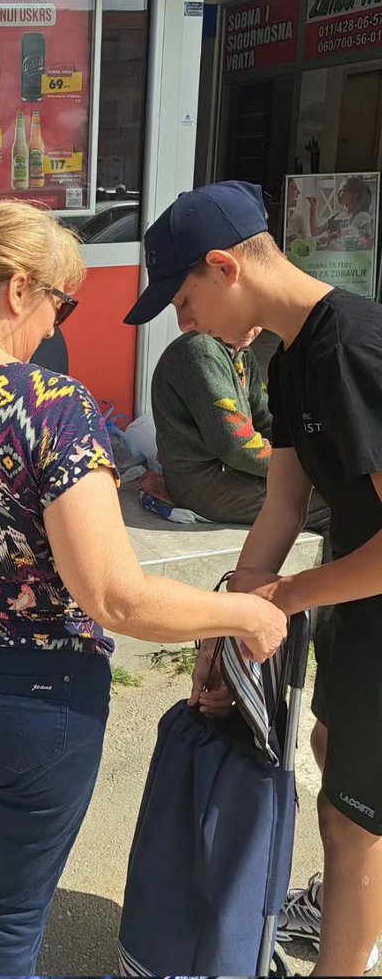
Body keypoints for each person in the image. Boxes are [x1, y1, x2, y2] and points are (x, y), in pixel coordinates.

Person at [0, 199, 286, 975]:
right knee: (3, 923)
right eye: (58, 303)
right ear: (15, 289)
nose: (55, 325)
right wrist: (245, 612)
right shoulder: (52, 406)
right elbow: (115, 595)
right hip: (25, 695)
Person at [124, 179, 382, 977]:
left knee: (352, 824)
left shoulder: (350, 350)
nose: (183, 320)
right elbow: (280, 508)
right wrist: (229, 622)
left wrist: (289, 597)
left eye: (184, 299)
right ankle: (346, 911)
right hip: (358, 599)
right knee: (329, 747)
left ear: (223, 267)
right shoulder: (291, 356)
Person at [151, 327, 331, 536]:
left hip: (229, 469)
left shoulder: (242, 353)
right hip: (202, 484)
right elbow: (236, 446)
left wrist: (314, 450)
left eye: (258, 323)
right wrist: (305, 466)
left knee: (331, 484)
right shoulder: (199, 351)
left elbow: (265, 417)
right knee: (334, 502)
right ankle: (342, 569)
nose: (253, 331)